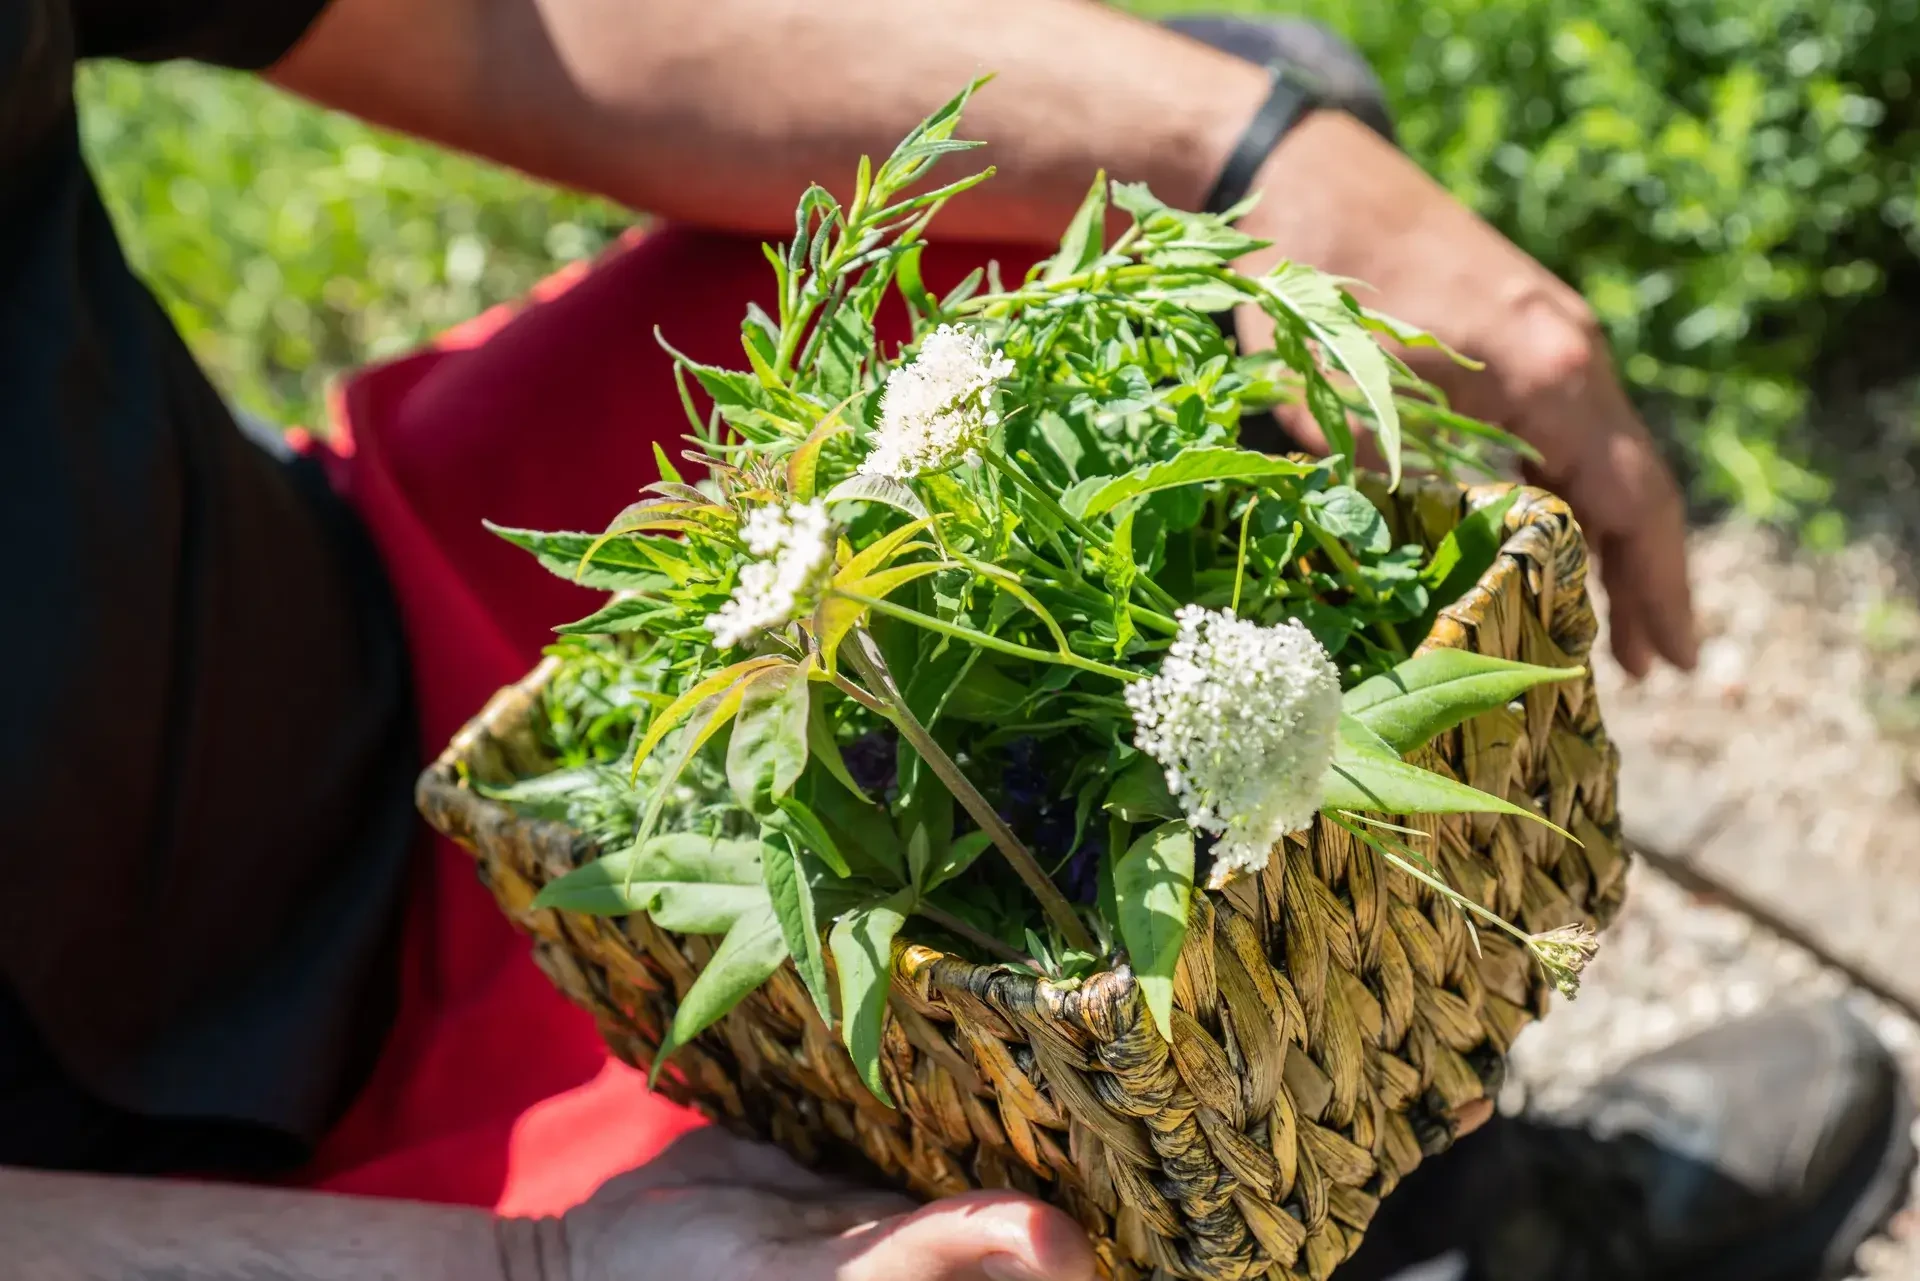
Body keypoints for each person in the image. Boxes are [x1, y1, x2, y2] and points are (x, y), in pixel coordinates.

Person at [3, 1, 1905, 1278]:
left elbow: (491, 24)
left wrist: (1243, 151)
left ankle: (1418, 1182)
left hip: (367, 670)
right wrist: (539, 1265)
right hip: (223, 1208)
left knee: (1155, 233)